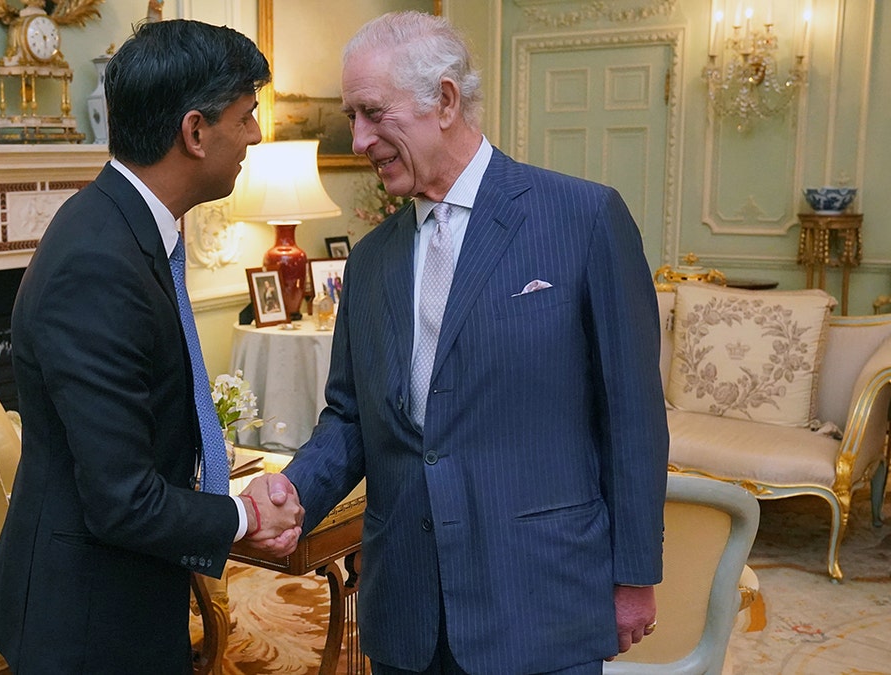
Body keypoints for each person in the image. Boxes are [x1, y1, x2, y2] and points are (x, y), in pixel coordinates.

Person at [245, 11, 669, 674]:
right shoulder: (374, 259)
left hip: (538, 602)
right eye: (351, 117)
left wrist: (634, 574)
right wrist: (291, 491)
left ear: (444, 100)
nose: (358, 140)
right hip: (405, 611)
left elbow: (633, 417)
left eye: (371, 113)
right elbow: (353, 416)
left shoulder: (583, 219)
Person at [0, 20, 302, 674]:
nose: (256, 135)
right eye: (246, 116)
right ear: (194, 131)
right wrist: (241, 515)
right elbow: (123, 500)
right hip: (90, 619)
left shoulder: (122, 226)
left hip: (120, 591)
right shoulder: (99, 262)